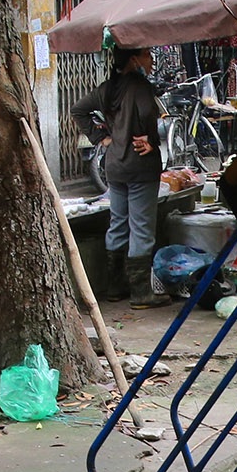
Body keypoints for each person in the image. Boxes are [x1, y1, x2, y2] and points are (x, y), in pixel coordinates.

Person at [73, 43, 164, 303]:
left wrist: (103, 138)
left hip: (114, 166)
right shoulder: (142, 88)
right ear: (134, 59)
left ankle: (115, 287)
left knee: (118, 223)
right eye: (147, 54)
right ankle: (140, 293)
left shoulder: (107, 88)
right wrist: (150, 139)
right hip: (140, 165)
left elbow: (78, 109)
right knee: (142, 228)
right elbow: (148, 116)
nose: (151, 59)